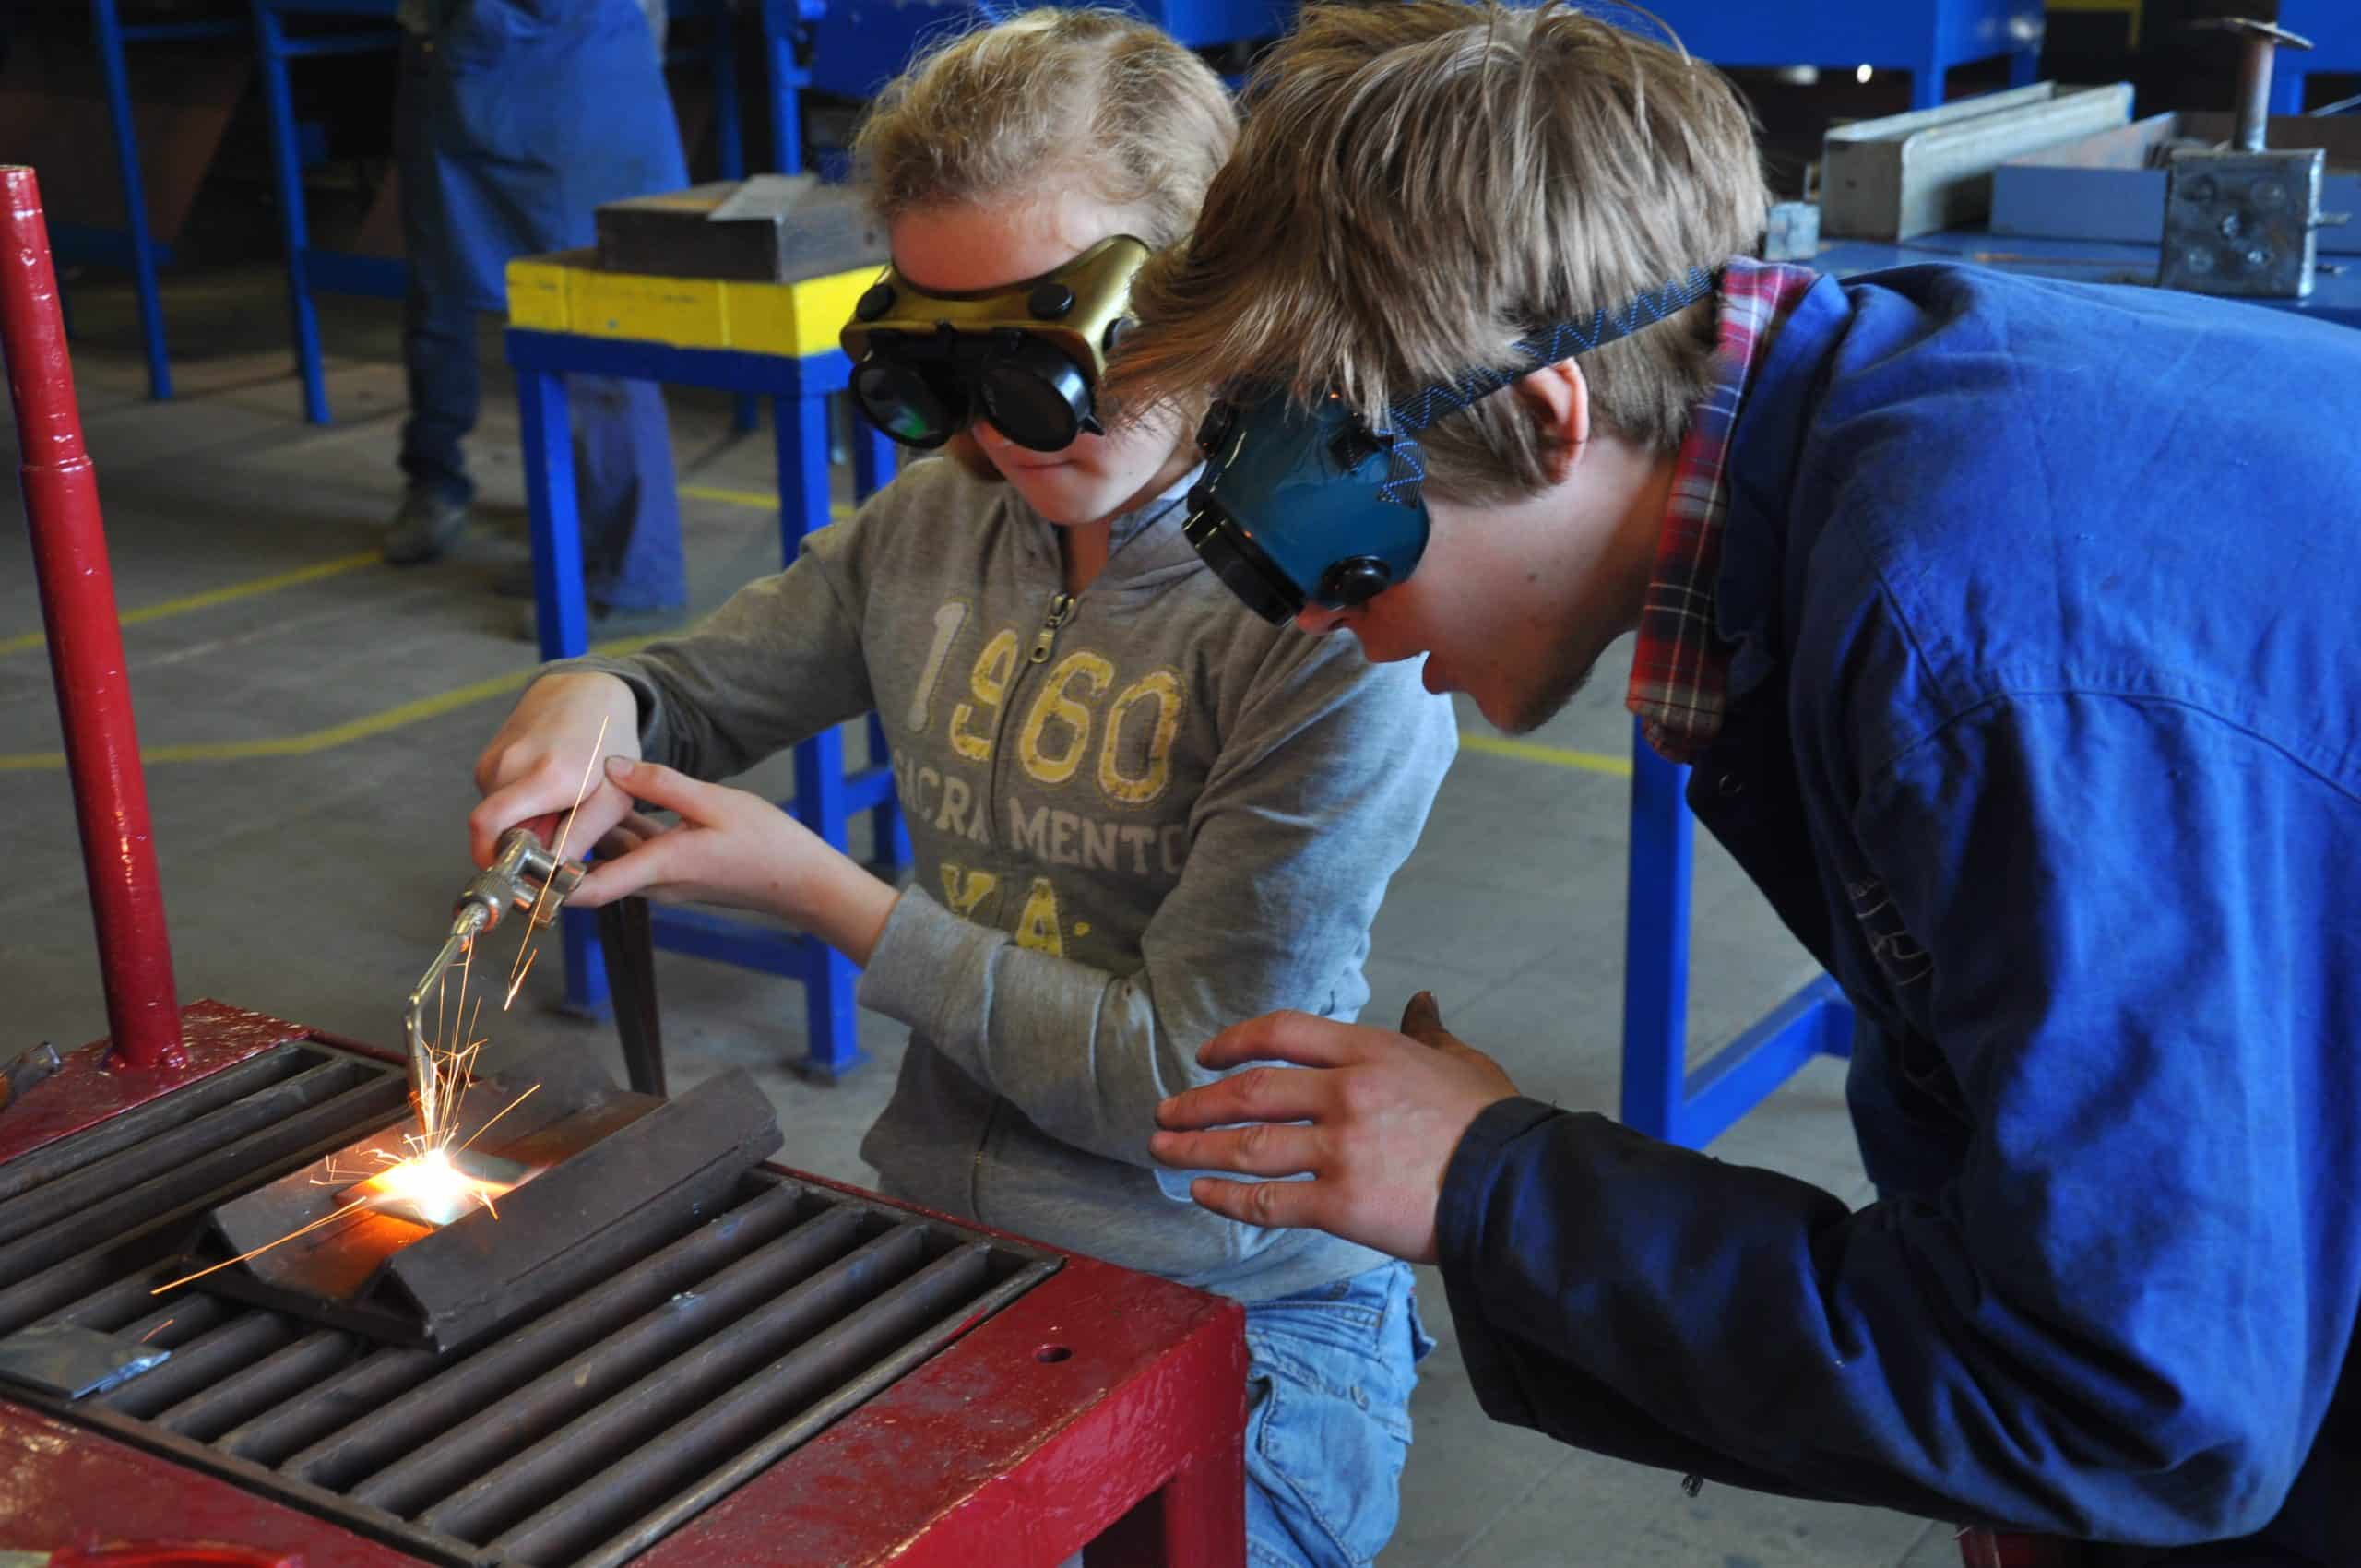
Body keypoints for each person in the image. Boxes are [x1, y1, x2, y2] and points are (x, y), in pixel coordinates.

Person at [1112, 5, 2361, 1566]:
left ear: (1548, 418)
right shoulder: (1867, 409)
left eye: (1322, 521)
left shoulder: (1966, 646)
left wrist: (1493, 1185)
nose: (1305, 611)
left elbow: (2136, 1406)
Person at [464, 12, 1458, 1564]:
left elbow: (1186, 1090)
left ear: (1207, 286)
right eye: (953, 363)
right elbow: (694, 692)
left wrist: (830, 900)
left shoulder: (1334, 623)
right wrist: (592, 700)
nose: (1002, 423)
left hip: (1234, 1302)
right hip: (947, 1246)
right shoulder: (938, 523)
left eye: (1047, 354)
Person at [386, 0, 688, 637]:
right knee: (548, 338)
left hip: (565, 79)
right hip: (509, 73)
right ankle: (582, 552)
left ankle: (633, 578)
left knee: (597, 340)